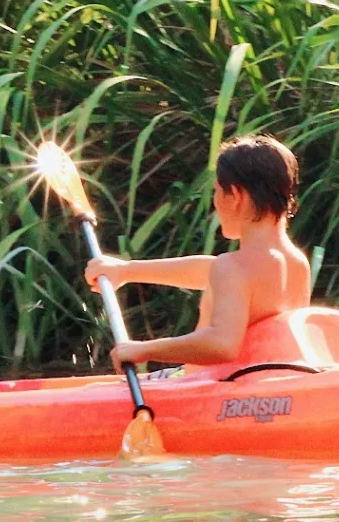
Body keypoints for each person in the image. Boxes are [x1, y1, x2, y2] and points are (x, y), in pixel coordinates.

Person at [85, 135, 311, 369]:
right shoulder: (296, 264)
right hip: (260, 397)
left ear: (234, 195)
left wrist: (144, 349)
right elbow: (213, 273)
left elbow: (222, 344)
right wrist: (126, 271)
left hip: (208, 389)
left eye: (216, 191)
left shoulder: (234, 268)